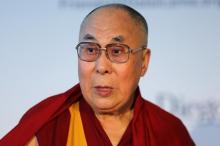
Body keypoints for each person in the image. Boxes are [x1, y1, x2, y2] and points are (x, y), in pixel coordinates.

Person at [0, 3, 195, 146]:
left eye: (117, 51)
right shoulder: (47, 125)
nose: (101, 66)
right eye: (91, 50)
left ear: (143, 62)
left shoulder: (168, 132)